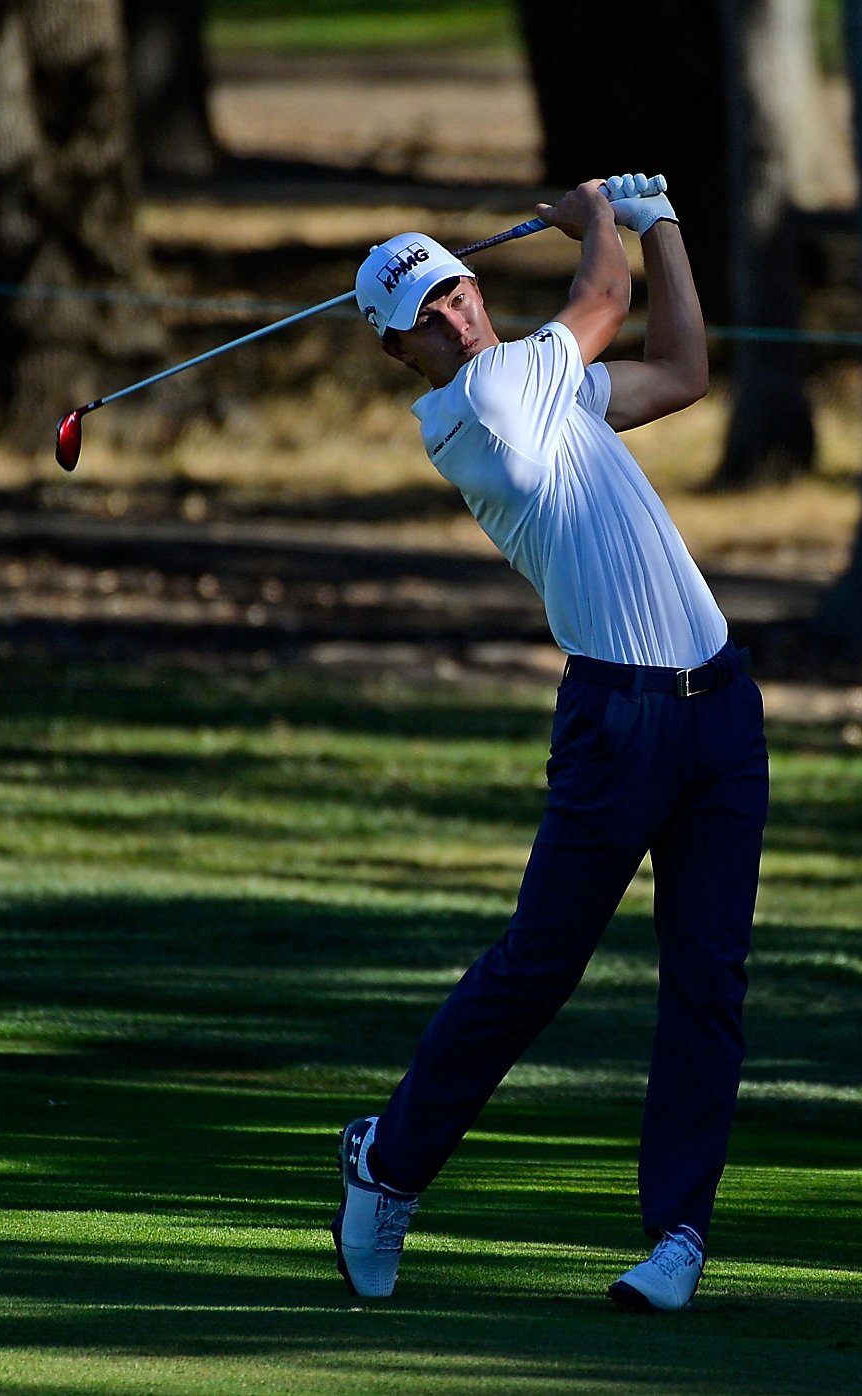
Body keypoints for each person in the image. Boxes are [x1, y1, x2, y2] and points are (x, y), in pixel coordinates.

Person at [331, 174, 768, 1313]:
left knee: (706, 979)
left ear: (473, 284)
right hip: (617, 721)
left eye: (456, 290)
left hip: (719, 705)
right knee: (538, 967)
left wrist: (666, 219)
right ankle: (387, 1168)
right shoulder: (487, 406)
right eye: (425, 315)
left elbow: (682, 368)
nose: (453, 314)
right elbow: (607, 296)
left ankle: (676, 1235)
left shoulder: (546, 387)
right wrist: (599, 215)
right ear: (398, 351)